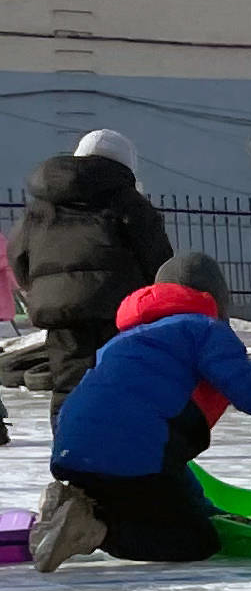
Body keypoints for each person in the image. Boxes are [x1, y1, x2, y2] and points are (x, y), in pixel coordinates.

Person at [29, 255, 251, 572]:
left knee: (174, 502)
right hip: (131, 455)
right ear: (214, 296)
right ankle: (92, 531)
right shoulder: (202, 330)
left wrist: (202, 506)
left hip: (73, 451)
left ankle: (72, 501)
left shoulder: (122, 341)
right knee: (196, 540)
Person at [12, 128, 174, 416]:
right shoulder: (128, 201)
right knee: (118, 385)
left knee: (68, 387)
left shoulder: (42, 205)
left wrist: (40, 288)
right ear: (126, 164)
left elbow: (18, 254)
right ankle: (111, 454)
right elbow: (157, 258)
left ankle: (68, 453)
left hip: (62, 313)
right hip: (119, 309)